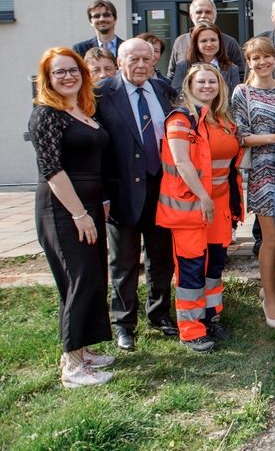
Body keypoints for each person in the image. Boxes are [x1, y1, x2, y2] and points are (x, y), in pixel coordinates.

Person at [29, 47, 114, 388]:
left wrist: (99, 203)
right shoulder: (46, 114)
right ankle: (72, 367)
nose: (67, 77)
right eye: (59, 72)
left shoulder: (83, 110)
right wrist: (78, 213)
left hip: (90, 204)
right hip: (63, 207)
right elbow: (52, 169)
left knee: (93, 276)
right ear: (47, 79)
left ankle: (84, 349)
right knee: (77, 279)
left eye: (73, 70)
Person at [94, 38, 179, 351]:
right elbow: (96, 150)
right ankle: (124, 324)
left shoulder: (163, 90)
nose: (141, 65)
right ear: (120, 62)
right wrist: (101, 194)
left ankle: (159, 314)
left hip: (161, 188)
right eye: (134, 60)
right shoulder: (101, 94)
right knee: (124, 262)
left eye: (147, 59)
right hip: (121, 191)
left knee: (161, 257)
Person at [157, 64, 244, 352]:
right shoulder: (181, 120)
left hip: (218, 205)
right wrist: (203, 197)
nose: (207, 86)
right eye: (201, 82)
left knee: (214, 265)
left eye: (213, 81)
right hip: (191, 207)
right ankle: (191, 330)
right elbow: (181, 162)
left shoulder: (222, 119)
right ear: (189, 86)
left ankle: (211, 317)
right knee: (192, 268)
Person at [231, 37, 275, 328]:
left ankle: (274, 291)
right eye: (256, 58)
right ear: (249, 62)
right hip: (263, 170)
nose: (262, 62)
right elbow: (240, 136)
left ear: (274, 59)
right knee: (270, 239)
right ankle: (269, 298)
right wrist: (272, 138)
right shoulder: (242, 92)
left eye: (266, 57)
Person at [167, 0, 246, 79]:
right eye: (199, 12)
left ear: (215, 15)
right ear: (191, 15)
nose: (203, 15)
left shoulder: (230, 42)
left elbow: (241, 75)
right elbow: (172, 75)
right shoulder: (180, 41)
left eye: (208, 12)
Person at [170, 23, 241, 93]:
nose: (209, 44)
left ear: (219, 42)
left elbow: (235, 99)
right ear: (196, 44)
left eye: (213, 40)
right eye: (203, 41)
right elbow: (176, 95)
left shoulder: (232, 69)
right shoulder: (183, 66)